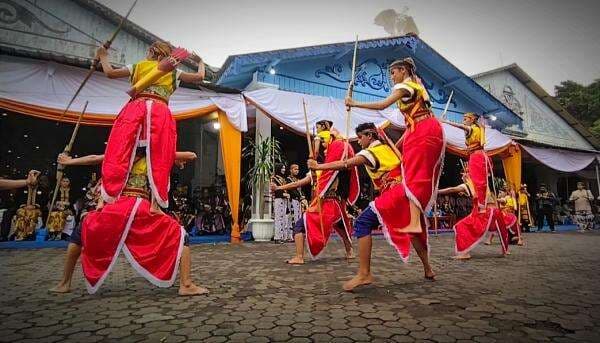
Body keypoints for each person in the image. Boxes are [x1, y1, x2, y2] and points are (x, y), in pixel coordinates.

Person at [344, 57, 445, 290]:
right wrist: (397, 145)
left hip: (422, 133)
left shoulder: (405, 86)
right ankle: (428, 268)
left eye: (393, 73)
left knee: (413, 179)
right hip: (418, 130)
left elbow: (382, 106)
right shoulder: (417, 87)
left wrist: (354, 102)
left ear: (403, 71)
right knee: (415, 222)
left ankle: (364, 273)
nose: (392, 77)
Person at [49, 151, 199, 294]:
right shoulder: (153, 154)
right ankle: (186, 284)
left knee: (80, 233)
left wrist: (69, 161)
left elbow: (94, 158)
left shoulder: (121, 154)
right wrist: (171, 155)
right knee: (181, 235)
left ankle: (64, 283)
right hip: (141, 208)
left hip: (116, 206)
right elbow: (191, 155)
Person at [309, 123, 436, 291]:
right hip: (407, 192)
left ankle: (364, 273)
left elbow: (346, 164)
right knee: (413, 231)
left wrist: (318, 166)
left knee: (362, 222)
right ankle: (428, 269)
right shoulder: (387, 149)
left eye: (360, 137)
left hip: (394, 192)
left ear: (369, 136)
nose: (359, 142)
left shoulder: (370, 152)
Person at [271, 128, 359, 264]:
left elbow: (339, 160)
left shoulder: (331, 169)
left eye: (326, 146)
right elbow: (299, 183)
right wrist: (279, 187)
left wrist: (318, 158)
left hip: (326, 205)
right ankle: (350, 252)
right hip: (333, 206)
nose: (325, 150)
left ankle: (299, 257)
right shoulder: (323, 171)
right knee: (342, 228)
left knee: (299, 226)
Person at [438, 170, 509, 259]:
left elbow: (451, 189)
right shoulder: (482, 182)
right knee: (501, 230)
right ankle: (505, 250)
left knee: (460, 226)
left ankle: (464, 253)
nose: (462, 176)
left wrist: (436, 191)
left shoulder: (468, 185)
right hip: (495, 211)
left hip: (484, 212)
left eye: (464, 174)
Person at [272, 163, 292, 242]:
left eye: (284, 168)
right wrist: (284, 194)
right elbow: (274, 189)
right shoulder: (274, 178)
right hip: (278, 199)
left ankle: (283, 236)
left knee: (284, 218)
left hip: (284, 200)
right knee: (278, 218)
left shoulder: (283, 179)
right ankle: (277, 237)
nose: (283, 170)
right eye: (282, 168)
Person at [286, 164, 305, 233]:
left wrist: (303, 196)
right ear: (291, 170)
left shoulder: (297, 180)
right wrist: (300, 197)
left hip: (298, 201)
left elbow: (300, 190)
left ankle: (298, 232)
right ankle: (291, 234)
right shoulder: (288, 179)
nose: (297, 171)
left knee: (299, 217)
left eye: (298, 169)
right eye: (295, 169)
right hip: (292, 200)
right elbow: (291, 190)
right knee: (292, 217)